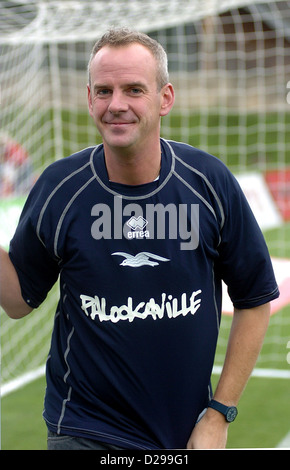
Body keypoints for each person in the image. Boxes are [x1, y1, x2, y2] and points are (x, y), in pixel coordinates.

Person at [0, 28, 279, 450]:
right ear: (89, 98)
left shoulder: (209, 182)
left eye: (133, 90)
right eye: (104, 90)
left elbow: (255, 298)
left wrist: (219, 414)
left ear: (165, 98)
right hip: (84, 427)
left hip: (183, 432)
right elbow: (19, 301)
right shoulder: (61, 187)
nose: (117, 105)